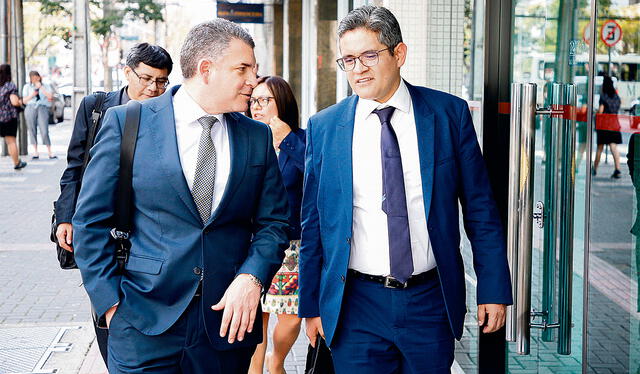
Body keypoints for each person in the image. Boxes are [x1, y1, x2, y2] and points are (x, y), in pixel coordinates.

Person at [298, 6, 512, 373]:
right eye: (348, 59)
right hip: (355, 306)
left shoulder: (448, 115)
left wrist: (493, 287)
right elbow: (313, 224)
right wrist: (311, 306)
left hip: (429, 301)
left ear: (399, 54)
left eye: (369, 55)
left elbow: (480, 209)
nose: (358, 68)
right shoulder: (325, 127)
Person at [73, 19, 289, 373]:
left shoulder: (256, 136)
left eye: (255, 69)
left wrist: (253, 278)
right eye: (243, 69)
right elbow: (89, 221)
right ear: (206, 69)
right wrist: (111, 305)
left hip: (226, 326)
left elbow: (275, 223)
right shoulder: (128, 123)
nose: (253, 80)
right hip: (143, 322)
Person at [54, 42, 173, 366]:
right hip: (104, 234)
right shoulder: (97, 107)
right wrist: (66, 217)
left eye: (161, 81)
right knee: (109, 317)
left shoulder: (168, 115)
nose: (153, 88)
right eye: (146, 78)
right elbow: (75, 166)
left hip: (149, 235)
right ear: (127, 72)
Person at [246, 76, 305, 374]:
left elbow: (320, 179)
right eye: (253, 100)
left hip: (294, 247)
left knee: (291, 316)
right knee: (257, 316)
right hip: (254, 243)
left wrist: (288, 141)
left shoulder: (303, 140)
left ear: (282, 102)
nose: (257, 107)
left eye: (264, 100)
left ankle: (277, 360)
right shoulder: (248, 142)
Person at [593, 74, 623, 179]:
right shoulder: (616, 96)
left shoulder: (603, 96)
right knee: (613, 146)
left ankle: (594, 169)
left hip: (604, 125)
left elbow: (601, 111)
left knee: (600, 147)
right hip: (614, 124)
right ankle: (617, 169)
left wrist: (595, 113)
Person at [22, 71, 55, 159]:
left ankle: (49, 151)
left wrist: (41, 88)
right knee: (32, 129)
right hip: (30, 107)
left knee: (44, 130)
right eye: (33, 78)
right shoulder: (27, 87)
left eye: (36, 77)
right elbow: (24, 100)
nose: (35, 79)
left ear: (39, 77)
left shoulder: (46, 86)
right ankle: (35, 151)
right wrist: (33, 94)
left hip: (42, 107)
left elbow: (50, 97)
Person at [0, 64, 26, 170]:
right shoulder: (10, 86)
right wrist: (20, 102)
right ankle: (16, 163)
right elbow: (14, 102)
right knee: (11, 142)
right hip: (9, 118)